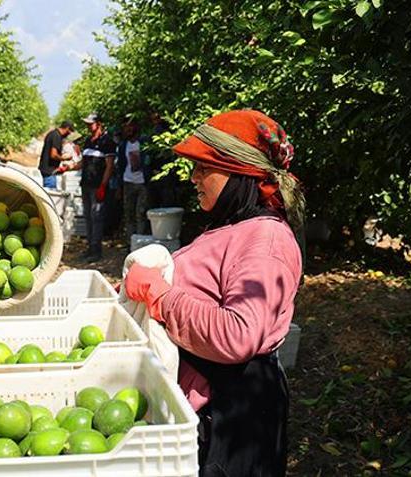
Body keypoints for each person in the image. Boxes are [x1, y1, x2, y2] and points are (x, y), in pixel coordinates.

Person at [124, 110, 305, 476]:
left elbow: (239, 333)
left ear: (242, 171)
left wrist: (158, 294)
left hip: (234, 418)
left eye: (204, 168)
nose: (194, 177)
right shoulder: (233, 227)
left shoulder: (265, 239)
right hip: (211, 409)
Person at [79, 113, 116, 262]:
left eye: (91, 123)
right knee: (88, 217)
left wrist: (103, 186)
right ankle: (89, 248)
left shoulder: (107, 142)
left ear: (99, 124)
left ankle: (96, 251)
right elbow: (83, 163)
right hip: (86, 185)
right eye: (87, 124)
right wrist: (68, 167)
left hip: (97, 186)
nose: (88, 126)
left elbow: (109, 166)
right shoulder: (88, 141)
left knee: (97, 218)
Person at [122, 120, 151, 242]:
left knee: (141, 214)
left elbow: (149, 161)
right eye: (125, 127)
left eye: (130, 127)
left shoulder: (144, 142)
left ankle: (140, 242)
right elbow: (121, 165)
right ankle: (130, 243)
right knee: (129, 214)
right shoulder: (123, 145)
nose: (127, 130)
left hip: (142, 183)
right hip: (128, 182)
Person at [39, 120, 74, 188]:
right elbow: (53, 155)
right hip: (49, 172)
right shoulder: (57, 136)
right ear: (67, 128)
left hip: (46, 169)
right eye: (70, 131)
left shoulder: (52, 133)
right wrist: (64, 158)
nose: (69, 134)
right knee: (50, 192)